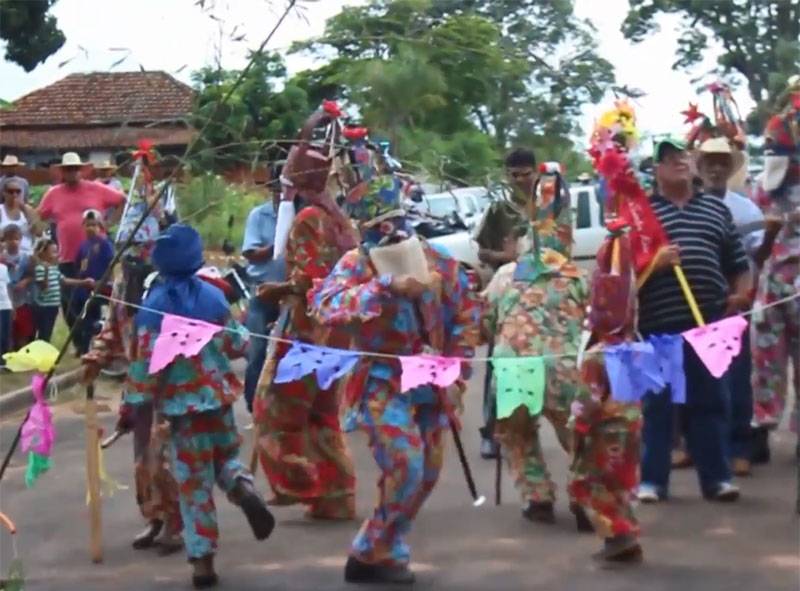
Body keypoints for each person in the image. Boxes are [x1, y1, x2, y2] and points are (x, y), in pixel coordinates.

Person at [309, 168, 481, 585]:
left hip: (432, 380)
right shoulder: (358, 263)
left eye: (395, 223)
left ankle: (377, 548)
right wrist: (383, 286)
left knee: (427, 473)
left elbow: (466, 316)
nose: (389, 233)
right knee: (405, 463)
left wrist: (457, 371)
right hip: (382, 380)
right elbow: (325, 306)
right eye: (378, 228)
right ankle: (375, 549)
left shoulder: (439, 259)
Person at [131, 224, 274, 588]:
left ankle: (203, 563)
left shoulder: (151, 307)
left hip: (181, 411)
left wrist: (135, 401)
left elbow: (145, 364)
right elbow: (241, 345)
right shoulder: (213, 299)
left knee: (194, 484)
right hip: (219, 399)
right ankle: (242, 488)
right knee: (225, 458)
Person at [252, 109, 358, 520]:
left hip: (307, 333)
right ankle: (335, 495)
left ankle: (298, 482)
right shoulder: (340, 220)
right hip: (338, 332)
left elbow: (313, 281)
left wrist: (279, 289)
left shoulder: (307, 221)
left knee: (273, 409)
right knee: (321, 413)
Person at [637, 138, 750, 503]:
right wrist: (656, 263)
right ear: (655, 171)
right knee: (658, 407)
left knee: (712, 402)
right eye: (668, 159)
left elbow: (738, 263)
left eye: (682, 156)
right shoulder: (642, 215)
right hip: (658, 324)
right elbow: (622, 273)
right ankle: (653, 481)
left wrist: (741, 294)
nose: (679, 162)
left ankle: (717, 479)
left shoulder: (715, 210)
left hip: (709, 322)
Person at [482, 149, 590, 528]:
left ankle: (537, 495)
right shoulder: (576, 277)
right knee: (577, 435)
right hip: (563, 368)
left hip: (514, 366)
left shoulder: (506, 275)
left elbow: (486, 320)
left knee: (518, 434)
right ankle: (586, 496)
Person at [570, 232, 643, 564]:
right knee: (621, 482)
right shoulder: (635, 348)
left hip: (603, 432)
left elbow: (586, 402)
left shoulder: (596, 356)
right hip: (631, 428)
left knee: (589, 482)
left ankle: (618, 535)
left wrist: (577, 429)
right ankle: (625, 532)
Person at [694, 137, 764, 476]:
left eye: (723, 162)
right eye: (710, 162)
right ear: (700, 168)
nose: (716, 168)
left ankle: (740, 448)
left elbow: (757, 257)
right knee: (696, 379)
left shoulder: (747, 209)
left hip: (734, 304)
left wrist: (744, 296)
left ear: (729, 168)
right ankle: (696, 447)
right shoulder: (688, 206)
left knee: (736, 379)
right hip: (695, 305)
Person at [473, 149, 534, 459]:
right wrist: (506, 259)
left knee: (545, 364)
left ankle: (527, 430)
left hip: (544, 297)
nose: (521, 179)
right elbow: (482, 254)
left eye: (526, 173)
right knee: (500, 362)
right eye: (515, 174)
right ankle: (491, 431)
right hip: (508, 295)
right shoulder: (499, 210)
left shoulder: (551, 206)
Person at [749, 109, 800, 461]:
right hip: (771, 287)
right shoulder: (762, 191)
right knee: (765, 361)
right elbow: (755, 248)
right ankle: (762, 425)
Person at [36, 152, 125, 331]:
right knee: (69, 302)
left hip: (95, 254)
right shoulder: (53, 193)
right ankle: (79, 340)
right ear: (63, 172)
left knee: (94, 299)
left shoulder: (96, 188)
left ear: (81, 171)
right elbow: (40, 215)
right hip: (67, 255)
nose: (73, 173)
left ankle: (91, 339)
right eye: (69, 170)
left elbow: (122, 200)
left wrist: (110, 223)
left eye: (76, 169)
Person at [241, 167, 286, 415]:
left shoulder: (303, 215)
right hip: (263, 292)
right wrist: (279, 243)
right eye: (279, 190)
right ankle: (253, 406)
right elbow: (251, 254)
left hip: (292, 294)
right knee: (256, 352)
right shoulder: (259, 215)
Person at [32, 239, 94, 341]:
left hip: (54, 305)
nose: (56, 255)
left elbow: (64, 280)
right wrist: (46, 271)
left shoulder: (54, 268)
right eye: (53, 252)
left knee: (49, 331)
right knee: (44, 332)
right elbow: (44, 287)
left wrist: (83, 282)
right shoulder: (40, 268)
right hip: (45, 307)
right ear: (43, 253)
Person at [72, 210, 114, 354]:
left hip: (100, 288)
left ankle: (98, 348)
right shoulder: (83, 245)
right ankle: (85, 347)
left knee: (98, 319)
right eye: (87, 225)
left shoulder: (104, 244)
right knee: (83, 318)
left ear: (99, 226)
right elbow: (78, 265)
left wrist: (103, 282)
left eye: (94, 225)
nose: (90, 228)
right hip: (84, 288)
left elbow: (111, 265)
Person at [0, 225, 35, 347]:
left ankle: (22, 358)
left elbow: (31, 275)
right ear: (4, 241)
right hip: (5, 302)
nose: (13, 242)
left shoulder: (25, 258)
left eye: (16, 238)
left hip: (22, 301)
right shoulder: (2, 258)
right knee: (7, 333)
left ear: (20, 239)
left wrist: (25, 281)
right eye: (9, 239)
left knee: (23, 332)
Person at [0, 178, 39, 254]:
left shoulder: (28, 209)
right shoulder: (1, 210)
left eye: (18, 191)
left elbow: (37, 232)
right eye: (10, 191)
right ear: (4, 193)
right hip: (5, 254)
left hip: (26, 253)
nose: (15, 194)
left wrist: (25, 210)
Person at [0, 259, 11, 368]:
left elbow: (7, 287)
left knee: (5, 334)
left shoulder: (3, 268)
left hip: (6, 305)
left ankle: (4, 361)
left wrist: (11, 304)